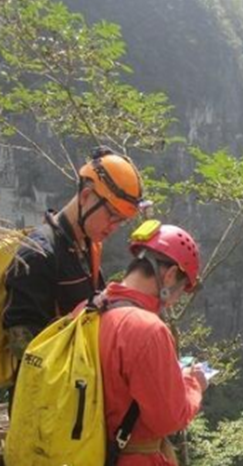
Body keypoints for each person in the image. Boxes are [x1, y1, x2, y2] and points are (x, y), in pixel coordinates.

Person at [2, 146, 145, 361]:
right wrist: (77, 318)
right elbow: (23, 348)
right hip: (46, 391)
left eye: (121, 222)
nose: (113, 227)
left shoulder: (88, 247)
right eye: (112, 216)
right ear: (86, 196)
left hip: (79, 384)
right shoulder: (39, 255)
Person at [96, 221, 206, 465]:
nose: (175, 300)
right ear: (169, 276)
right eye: (180, 290)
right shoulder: (148, 329)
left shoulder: (87, 310)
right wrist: (193, 384)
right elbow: (169, 419)